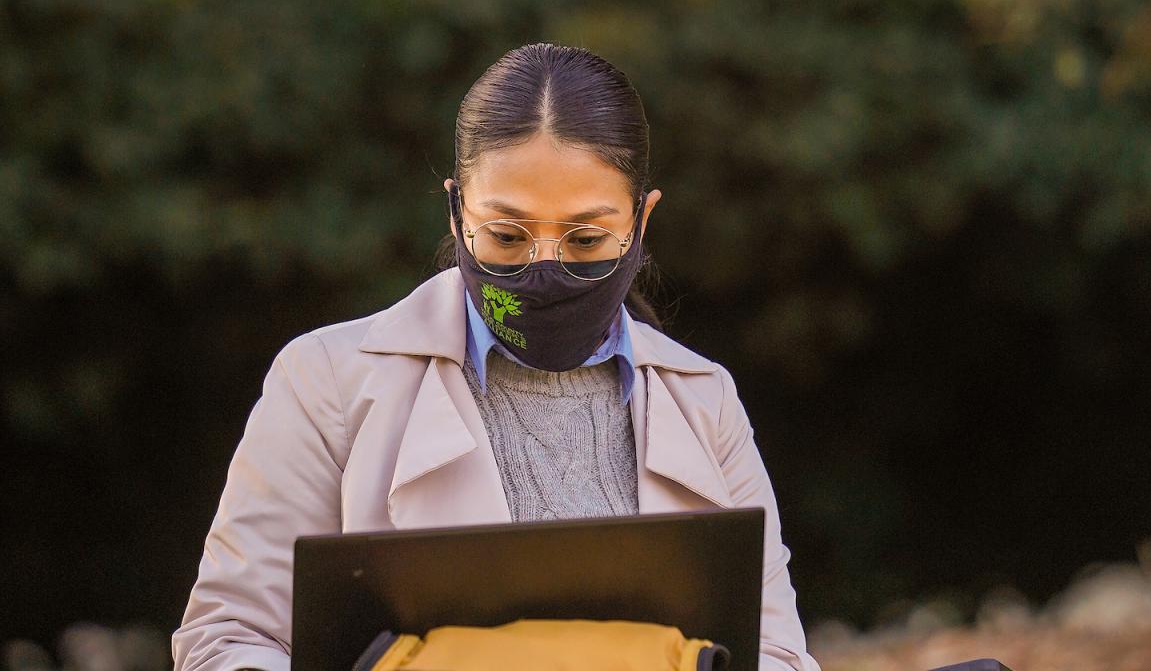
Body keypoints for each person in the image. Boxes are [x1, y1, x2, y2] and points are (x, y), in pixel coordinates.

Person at [171, 42, 821, 671]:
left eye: (587, 236)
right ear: (457, 215)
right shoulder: (324, 384)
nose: (545, 269)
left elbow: (777, 653)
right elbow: (229, 638)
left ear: (640, 223)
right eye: (507, 236)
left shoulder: (705, 399)